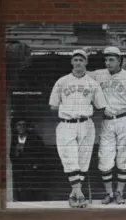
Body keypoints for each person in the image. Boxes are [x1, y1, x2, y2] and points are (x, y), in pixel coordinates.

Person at [86, 46, 126, 205]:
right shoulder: (99, 74)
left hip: (125, 119)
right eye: (106, 60)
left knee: (124, 158)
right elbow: (81, 75)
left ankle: (119, 192)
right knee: (105, 159)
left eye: (111, 60)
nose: (108, 63)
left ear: (120, 61)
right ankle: (109, 193)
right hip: (107, 120)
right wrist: (85, 55)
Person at [49, 49, 107, 208]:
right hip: (66, 124)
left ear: (86, 62)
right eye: (75, 60)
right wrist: (70, 107)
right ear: (71, 62)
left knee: (83, 160)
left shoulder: (93, 83)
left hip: (86, 123)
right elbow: (53, 106)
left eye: (81, 60)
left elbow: (101, 106)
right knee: (70, 158)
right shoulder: (62, 81)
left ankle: (74, 194)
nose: (78, 62)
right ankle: (79, 193)